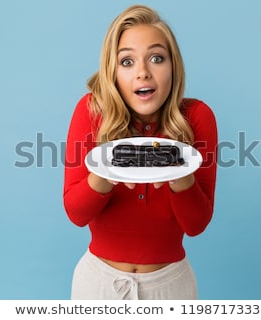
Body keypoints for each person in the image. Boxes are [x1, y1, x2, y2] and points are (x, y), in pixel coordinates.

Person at [63, 4, 218, 300]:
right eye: (127, 62)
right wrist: (107, 174)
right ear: (112, 71)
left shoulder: (197, 117)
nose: (143, 73)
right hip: (97, 286)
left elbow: (196, 225)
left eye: (156, 58)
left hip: (171, 286)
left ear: (174, 66)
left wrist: (179, 175)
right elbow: (76, 213)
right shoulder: (92, 111)